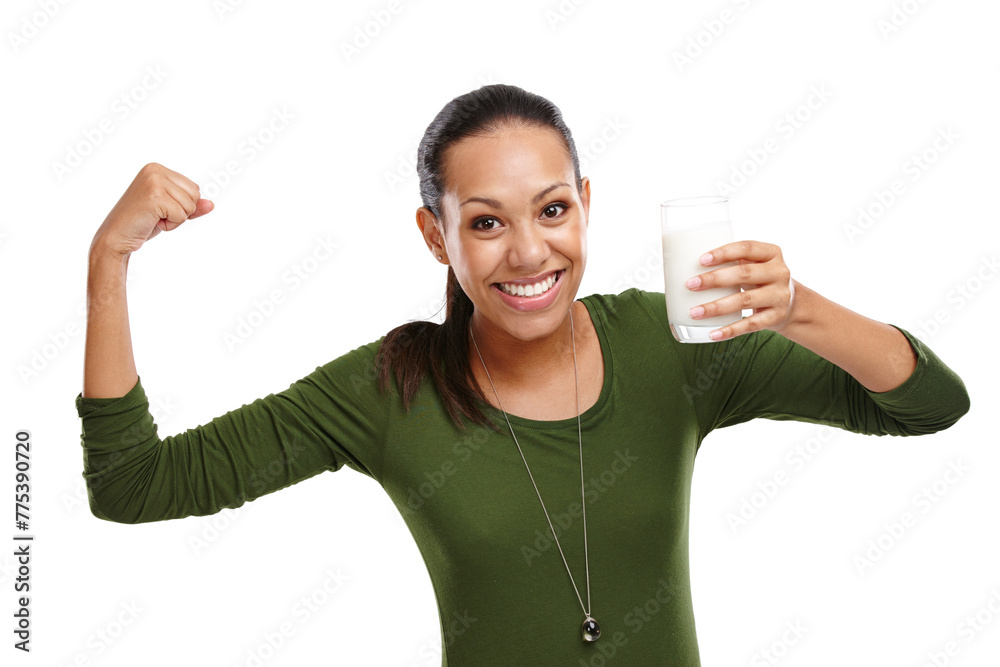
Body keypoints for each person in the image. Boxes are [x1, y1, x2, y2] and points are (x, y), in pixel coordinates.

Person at [76, 83, 970, 666]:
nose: (530, 250)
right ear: (437, 236)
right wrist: (109, 261)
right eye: (487, 223)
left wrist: (797, 307)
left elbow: (928, 404)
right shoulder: (391, 390)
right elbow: (133, 483)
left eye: (552, 209)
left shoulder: (673, 344)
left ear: (587, 204)